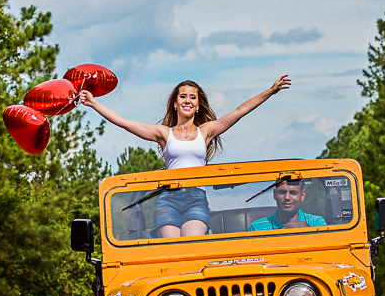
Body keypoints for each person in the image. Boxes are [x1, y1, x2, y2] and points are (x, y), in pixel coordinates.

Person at [79, 75, 291, 237]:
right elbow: (124, 122)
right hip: (168, 199)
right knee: (172, 248)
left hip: (196, 199)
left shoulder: (205, 132)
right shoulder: (164, 133)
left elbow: (240, 111)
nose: (187, 100)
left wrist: (270, 91)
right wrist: (94, 103)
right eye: (183, 96)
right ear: (175, 103)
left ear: (198, 105)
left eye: (192, 97)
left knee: (191, 245)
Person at [249, 179, 325, 230]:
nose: (287, 197)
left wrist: (307, 230)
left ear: (302, 195)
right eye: (282, 192)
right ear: (275, 194)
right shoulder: (256, 228)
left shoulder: (316, 223)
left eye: (293, 192)